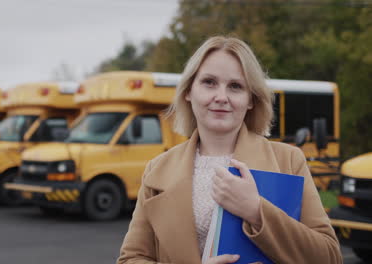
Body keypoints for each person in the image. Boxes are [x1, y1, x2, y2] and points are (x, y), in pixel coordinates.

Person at [117, 36, 342, 264]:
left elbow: (330, 257)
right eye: (209, 82)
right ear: (188, 91)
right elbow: (131, 259)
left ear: (251, 99)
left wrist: (256, 212)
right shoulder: (157, 169)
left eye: (235, 86)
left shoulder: (289, 161)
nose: (221, 97)